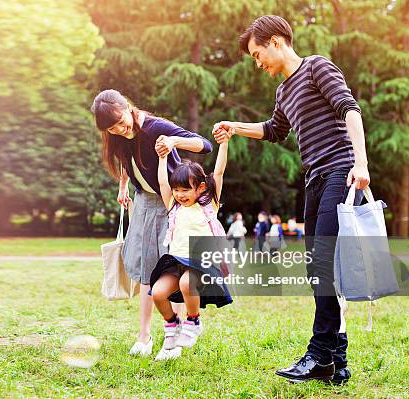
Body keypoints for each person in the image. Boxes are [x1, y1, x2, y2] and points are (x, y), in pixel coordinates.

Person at [213, 15, 370, 384]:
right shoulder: (284, 92)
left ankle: (318, 355)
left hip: (341, 170)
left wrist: (360, 163)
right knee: (318, 271)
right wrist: (235, 127)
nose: (257, 63)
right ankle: (337, 362)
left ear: (276, 41)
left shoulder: (317, 67)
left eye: (257, 54)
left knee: (324, 266)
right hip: (315, 179)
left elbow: (350, 110)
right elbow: (274, 130)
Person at [91, 89, 213, 357]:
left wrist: (172, 142)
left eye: (121, 122)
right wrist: (124, 185)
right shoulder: (119, 137)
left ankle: (180, 336)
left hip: (171, 203)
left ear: (128, 107)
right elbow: (126, 160)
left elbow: (204, 144)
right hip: (144, 202)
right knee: (148, 270)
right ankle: (144, 337)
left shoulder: (156, 128)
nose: (120, 130)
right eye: (112, 129)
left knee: (175, 268)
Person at [149, 139, 232, 360]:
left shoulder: (208, 205)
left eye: (185, 190)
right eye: (177, 190)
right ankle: (171, 323)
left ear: (201, 188)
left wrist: (223, 144)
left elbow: (220, 172)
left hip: (201, 261)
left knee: (187, 283)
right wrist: (162, 158)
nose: (179, 194)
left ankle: (193, 320)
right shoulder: (173, 206)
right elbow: (163, 184)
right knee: (157, 293)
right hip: (176, 261)